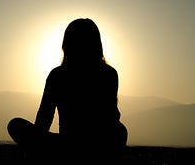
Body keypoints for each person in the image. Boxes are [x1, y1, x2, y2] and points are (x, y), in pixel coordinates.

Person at [7, 18, 128, 163]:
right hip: (88, 145)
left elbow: (44, 118)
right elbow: (112, 116)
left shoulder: (58, 75)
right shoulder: (108, 73)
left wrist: (35, 144)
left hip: (72, 145)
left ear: (67, 44)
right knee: (120, 130)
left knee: (16, 125)